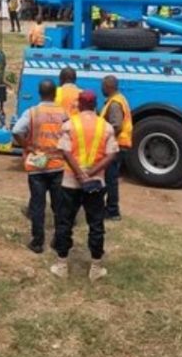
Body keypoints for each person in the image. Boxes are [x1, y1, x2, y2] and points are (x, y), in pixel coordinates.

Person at [51, 90, 119, 281]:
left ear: (79, 105)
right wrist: (90, 173)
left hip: (71, 181)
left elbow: (65, 152)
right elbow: (112, 154)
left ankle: (62, 265)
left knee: (65, 222)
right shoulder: (105, 127)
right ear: (95, 104)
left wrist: (80, 174)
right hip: (96, 183)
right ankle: (95, 268)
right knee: (96, 224)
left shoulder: (69, 125)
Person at [13, 79, 68, 254]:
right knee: (59, 206)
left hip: (37, 162)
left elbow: (16, 130)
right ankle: (59, 241)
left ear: (39, 93)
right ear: (55, 94)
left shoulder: (32, 112)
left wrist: (26, 145)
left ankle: (37, 242)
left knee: (37, 204)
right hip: (57, 164)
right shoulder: (64, 114)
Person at [100, 75, 132, 221]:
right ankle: (109, 208)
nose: (101, 88)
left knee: (110, 179)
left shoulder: (114, 104)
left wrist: (104, 138)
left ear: (108, 87)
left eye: (103, 86)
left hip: (116, 145)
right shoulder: (119, 99)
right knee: (109, 178)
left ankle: (112, 211)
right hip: (118, 145)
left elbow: (116, 125)